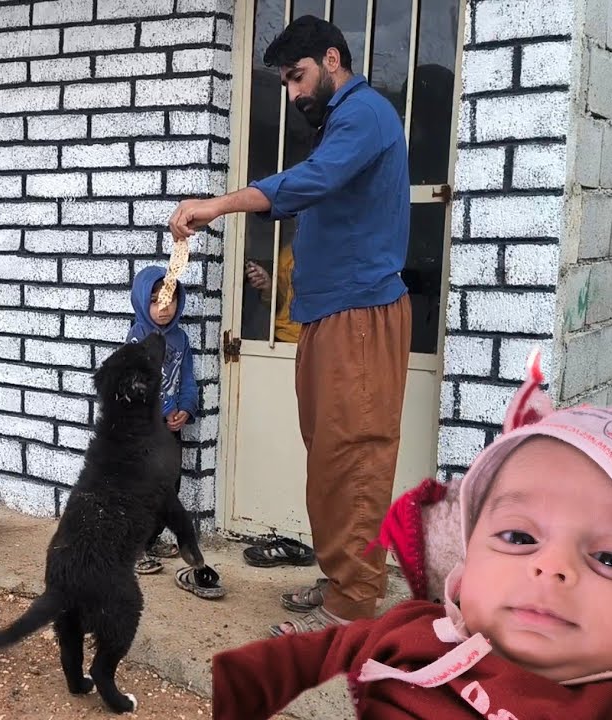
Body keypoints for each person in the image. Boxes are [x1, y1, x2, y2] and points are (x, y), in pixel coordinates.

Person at [210, 375, 612, 719]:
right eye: (518, 537)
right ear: (464, 573)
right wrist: (242, 687)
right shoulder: (414, 630)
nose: (551, 568)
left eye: (611, 558)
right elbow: (317, 652)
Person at [167, 15, 411, 631]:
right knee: (330, 455)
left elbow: (310, 183)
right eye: (284, 83)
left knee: (354, 454)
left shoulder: (365, 114)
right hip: (328, 315)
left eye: (298, 77)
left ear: (333, 59)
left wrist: (219, 205)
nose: (294, 93)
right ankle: (339, 581)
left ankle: (351, 606)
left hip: (361, 314)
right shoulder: (341, 122)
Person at [124, 266, 222, 598]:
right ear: (141, 301)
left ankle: (149, 541)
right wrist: (166, 411)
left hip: (170, 428)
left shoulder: (180, 338)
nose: (163, 308)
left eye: (170, 299)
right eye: (155, 301)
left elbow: (188, 378)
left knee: (170, 485)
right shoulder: (138, 338)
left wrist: (186, 408)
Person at [244, 243, 300, 343]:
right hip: (286, 339)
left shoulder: (335, 253)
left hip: (321, 340)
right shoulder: (289, 255)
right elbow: (281, 304)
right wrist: (268, 288)